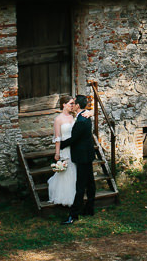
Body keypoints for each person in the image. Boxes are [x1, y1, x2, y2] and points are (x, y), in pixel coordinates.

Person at [59, 94, 96, 224]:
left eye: (74, 103)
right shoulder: (84, 115)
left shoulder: (81, 120)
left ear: (78, 106)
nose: (72, 105)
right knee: (90, 182)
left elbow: (74, 139)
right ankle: (89, 209)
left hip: (82, 156)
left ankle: (73, 215)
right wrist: (90, 112)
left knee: (80, 186)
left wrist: (61, 144)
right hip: (87, 154)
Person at [47, 95, 77, 206]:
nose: (72, 106)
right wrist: (57, 152)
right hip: (65, 148)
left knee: (74, 170)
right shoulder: (58, 119)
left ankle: (75, 195)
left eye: (73, 103)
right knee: (66, 171)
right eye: (70, 103)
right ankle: (65, 196)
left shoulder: (73, 117)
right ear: (64, 104)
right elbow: (58, 138)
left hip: (74, 147)